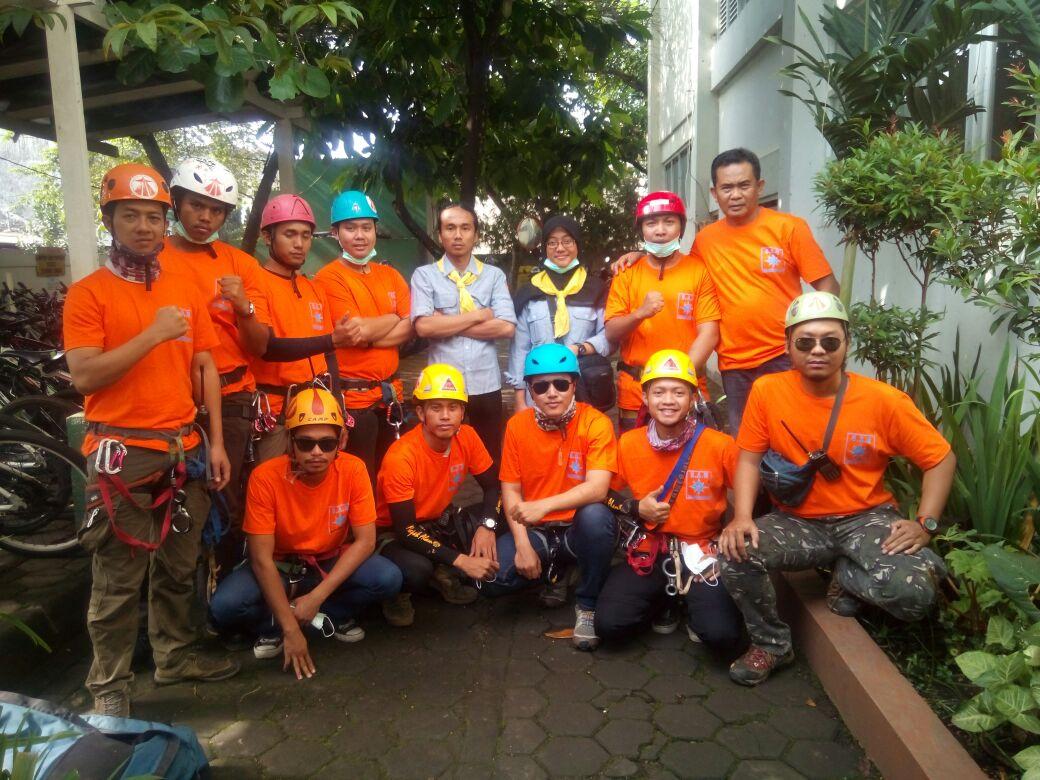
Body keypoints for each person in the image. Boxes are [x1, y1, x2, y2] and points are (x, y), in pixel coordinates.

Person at [64, 163, 238, 717]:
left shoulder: (183, 285)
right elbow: (86, 375)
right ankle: (109, 686)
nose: (144, 226)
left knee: (179, 564)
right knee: (118, 577)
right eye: (131, 215)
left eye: (154, 216)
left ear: (166, 222)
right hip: (124, 452)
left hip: (183, 446)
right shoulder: (88, 295)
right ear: (110, 219)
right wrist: (155, 334)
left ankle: (174, 655)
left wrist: (213, 441)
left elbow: (206, 363)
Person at [718, 291, 955, 686]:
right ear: (788, 345)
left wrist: (925, 523)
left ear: (846, 345)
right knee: (735, 552)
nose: (818, 350)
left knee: (914, 593)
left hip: (867, 518)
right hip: (799, 522)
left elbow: (940, 458)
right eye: (805, 341)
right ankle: (773, 645)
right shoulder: (768, 391)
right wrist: (742, 517)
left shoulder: (883, 401)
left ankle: (846, 577)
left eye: (830, 341)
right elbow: (748, 458)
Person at [615, 150, 839, 433]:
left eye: (744, 185)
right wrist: (638, 254)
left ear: (759, 186)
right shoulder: (706, 240)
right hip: (734, 365)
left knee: (796, 435)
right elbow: (676, 266)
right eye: (727, 188)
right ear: (714, 192)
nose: (735, 195)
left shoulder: (789, 228)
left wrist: (821, 338)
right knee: (746, 441)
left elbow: (827, 286)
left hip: (785, 356)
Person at [208, 388, 403, 676]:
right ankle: (291, 622)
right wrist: (291, 630)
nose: (316, 452)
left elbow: (365, 542)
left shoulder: (354, 470)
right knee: (224, 608)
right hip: (279, 565)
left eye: (327, 443)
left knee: (388, 578)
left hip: (328, 560)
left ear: (342, 441)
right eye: (305, 443)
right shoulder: (265, 478)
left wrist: (316, 597)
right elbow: (261, 559)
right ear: (290, 442)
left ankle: (309, 615)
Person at [596, 350, 745, 655]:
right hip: (649, 550)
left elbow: (748, 488)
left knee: (722, 637)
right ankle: (666, 599)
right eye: (659, 392)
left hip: (702, 552)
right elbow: (603, 494)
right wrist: (635, 508)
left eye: (679, 392)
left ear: (693, 398)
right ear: (645, 397)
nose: (668, 401)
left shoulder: (719, 445)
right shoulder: (629, 443)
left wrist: (737, 523)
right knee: (609, 626)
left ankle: (689, 602)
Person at [482, 344, 618, 651]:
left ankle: (587, 604)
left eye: (561, 384)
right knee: (491, 581)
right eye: (541, 386)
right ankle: (555, 571)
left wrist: (543, 505)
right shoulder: (517, 425)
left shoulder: (596, 423)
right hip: (537, 529)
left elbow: (597, 488)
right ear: (530, 390)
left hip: (578, 527)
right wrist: (521, 545)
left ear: (574, 385)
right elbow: (511, 488)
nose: (551, 393)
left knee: (597, 518)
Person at [163, 157, 265, 538]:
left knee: (225, 492)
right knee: (176, 495)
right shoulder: (152, 259)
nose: (206, 217)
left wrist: (245, 307)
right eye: (196, 205)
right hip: (173, 397)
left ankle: (221, 579)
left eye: (217, 210)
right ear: (176, 203)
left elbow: (259, 345)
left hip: (233, 393)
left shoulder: (241, 264)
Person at [375, 364, 500, 626]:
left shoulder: (467, 436)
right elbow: (406, 530)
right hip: (395, 533)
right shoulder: (401, 457)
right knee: (417, 570)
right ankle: (400, 592)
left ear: (463, 412)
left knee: (509, 514)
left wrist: (487, 526)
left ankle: (443, 572)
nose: (446, 416)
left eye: (453, 407)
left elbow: (493, 486)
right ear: (420, 412)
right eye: (436, 407)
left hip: (439, 522)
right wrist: (462, 560)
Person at [314, 191, 413, 480]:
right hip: (355, 402)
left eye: (366, 227)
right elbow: (355, 331)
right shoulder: (329, 277)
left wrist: (375, 331)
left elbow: (412, 326)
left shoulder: (390, 276)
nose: (360, 236)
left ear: (375, 231)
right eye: (350, 227)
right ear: (335, 233)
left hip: (392, 397)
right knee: (361, 478)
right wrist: (394, 317)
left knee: (392, 474)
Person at [605, 191, 721, 433]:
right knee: (636, 462)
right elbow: (611, 332)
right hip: (636, 392)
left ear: (680, 226)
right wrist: (640, 313)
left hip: (687, 388)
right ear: (642, 230)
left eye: (669, 222)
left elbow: (709, 333)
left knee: (692, 464)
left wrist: (678, 380)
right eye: (651, 223)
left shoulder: (698, 270)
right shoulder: (626, 272)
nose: (660, 230)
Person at [411, 204, 516, 469]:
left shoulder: (493, 276)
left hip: (486, 384)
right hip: (441, 389)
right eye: (450, 228)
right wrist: (480, 315)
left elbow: (506, 328)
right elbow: (423, 328)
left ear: (476, 235)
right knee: (438, 459)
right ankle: (439, 508)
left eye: (465, 228)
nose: (458, 235)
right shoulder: (424, 276)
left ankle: (493, 508)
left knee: (491, 458)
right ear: (440, 235)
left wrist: (444, 322)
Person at [242, 195, 343, 463]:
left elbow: (329, 355)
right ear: (267, 236)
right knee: (271, 486)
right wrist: (330, 340)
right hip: (276, 412)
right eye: (290, 234)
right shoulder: (255, 284)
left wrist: (338, 408)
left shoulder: (313, 288)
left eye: (306, 235)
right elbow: (268, 348)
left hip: (318, 410)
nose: (300, 244)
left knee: (318, 491)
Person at [507, 215, 612, 412]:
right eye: (552, 242)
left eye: (567, 241)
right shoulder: (529, 291)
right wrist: (520, 399)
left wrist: (580, 348)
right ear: (545, 248)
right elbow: (519, 349)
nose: (560, 248)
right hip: (539, 392)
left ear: (577, 245)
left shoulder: (596, 289)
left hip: (583, 390)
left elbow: (609, 337)